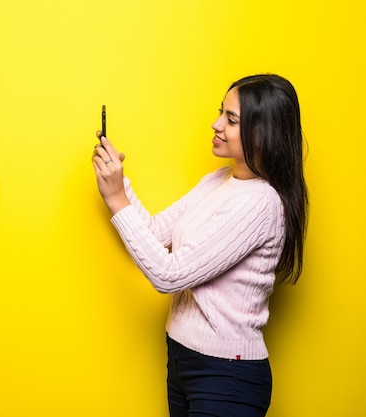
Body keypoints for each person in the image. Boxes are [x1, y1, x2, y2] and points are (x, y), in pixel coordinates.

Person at [91, 74, 308, 417]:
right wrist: (119, 182)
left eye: (231, 119)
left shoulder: (262, 203)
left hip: (225, 375)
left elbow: (168, 275)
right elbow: (155, 231)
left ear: (262, 133)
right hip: (182, 358)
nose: (216, 123)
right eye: (221, 112)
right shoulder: (219, 179)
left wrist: (117, 199)